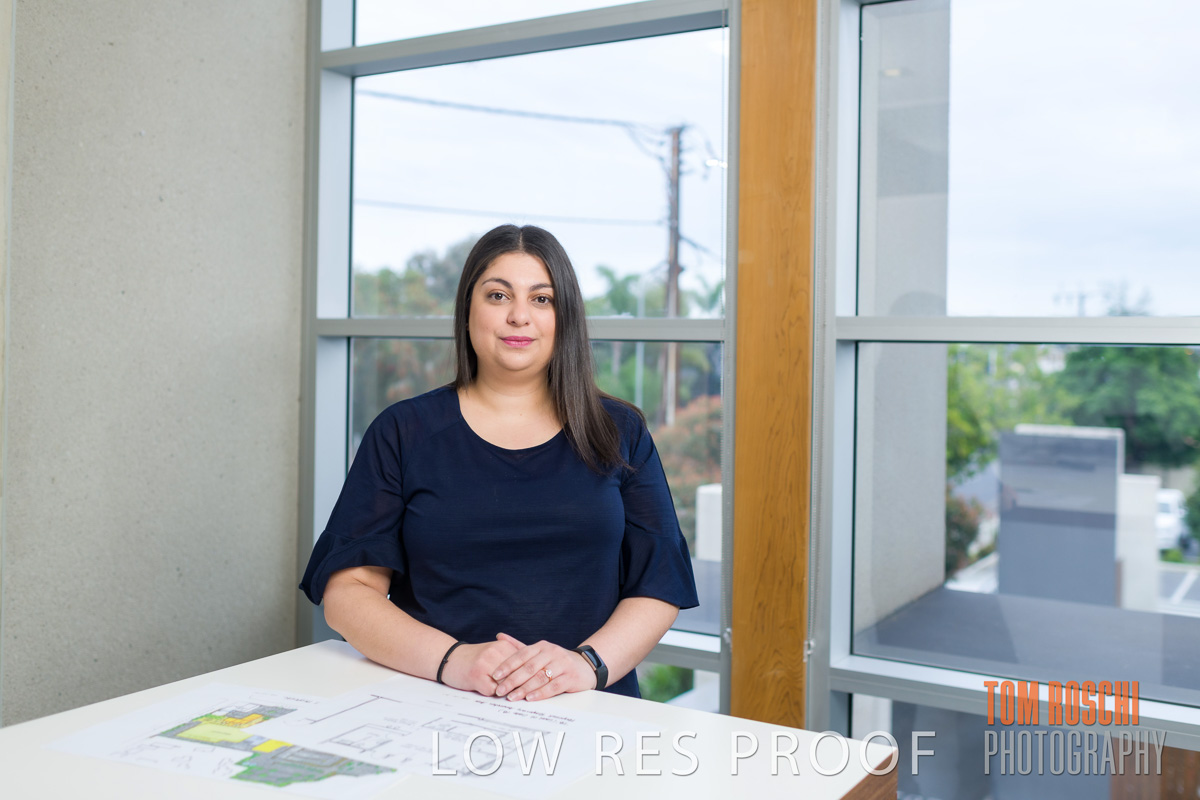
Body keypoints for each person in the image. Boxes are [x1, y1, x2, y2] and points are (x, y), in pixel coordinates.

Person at [300, 224, 698, 701]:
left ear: (565, 317)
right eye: (497, 295)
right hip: (435, 702)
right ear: (468, 309)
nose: (518, 316)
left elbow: (659, 584)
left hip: (589, 705)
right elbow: (348, 594)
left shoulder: (619, 431)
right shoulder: (403, 432)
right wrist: (455, 660)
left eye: (542, 299)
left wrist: (584, 665)